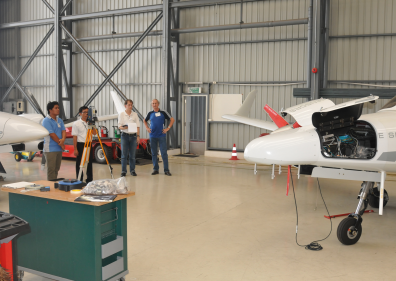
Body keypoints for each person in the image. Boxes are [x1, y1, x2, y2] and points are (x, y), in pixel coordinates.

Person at [144, 99, 174, 176]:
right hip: (152, 136)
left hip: (162, 136)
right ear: (151, 105)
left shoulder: (163, 112)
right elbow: (144, 120)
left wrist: (168, 128)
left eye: (156, 103)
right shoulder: (150, 113)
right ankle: (155, 169)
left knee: (164, 153)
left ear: (158, 104)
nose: (154, 105)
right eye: (153, 103)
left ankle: (166, 170)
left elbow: (172, 119)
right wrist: (147, 128)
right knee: (154, 153)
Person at [42, 101, 66, 181]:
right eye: (56, 108)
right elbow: (52, 134)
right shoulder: (46, 121)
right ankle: (51, 187)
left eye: (58, 108)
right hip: (50, 149)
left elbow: (63, 131)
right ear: (50, 110)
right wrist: (61, 144)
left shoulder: (60, 120)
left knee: (56, 169)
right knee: (51, 170)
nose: (58, 109)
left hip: (58, 148)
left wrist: (62, 140)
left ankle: (54, 184)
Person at [72, 106, 96, 183]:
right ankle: (79, 179)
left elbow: (95, 133)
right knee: (79, 162)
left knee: (89, 162)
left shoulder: (90, 122)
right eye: (84, 112)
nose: (86, 114)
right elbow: (75, 137)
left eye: (87, 112)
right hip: (81, 144)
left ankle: (89, 180)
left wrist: (93, 124)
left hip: (89, 144)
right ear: (80, 114)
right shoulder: (76, 124)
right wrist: (75, 149)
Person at [118, 99, 140, 177]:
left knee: (132, 155)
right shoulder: (122, 114)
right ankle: (123, 171)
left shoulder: (135, 114)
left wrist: (138, 136)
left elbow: (138, 126)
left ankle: (132, 170)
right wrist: (125, 127)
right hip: (125, 136)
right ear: (125, 106)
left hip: (133, 136)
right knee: (124, 155)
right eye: (129, 105)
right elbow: (119, 126)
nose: (130, 106)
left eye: (131, 105)